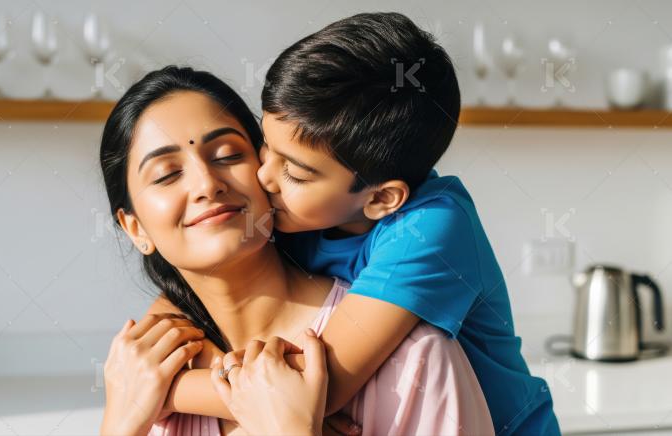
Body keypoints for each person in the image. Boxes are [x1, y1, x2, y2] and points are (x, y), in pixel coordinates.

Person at [160, 12, 561, 435]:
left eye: (295, 172)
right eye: (266, 145)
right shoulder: (304, 207)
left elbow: (321, 385)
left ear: (380, 199)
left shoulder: (430, 229)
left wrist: (167, 389)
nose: (264, 177)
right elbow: (195, 285)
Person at [98, 66, 493, 435]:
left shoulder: (413, 358)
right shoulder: (143, 379)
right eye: (167, 175)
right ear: (135, 228)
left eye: (229, 155)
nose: (207, 183)